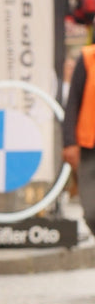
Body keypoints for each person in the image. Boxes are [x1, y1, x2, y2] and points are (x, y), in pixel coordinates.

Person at [63, 42, 95, 235]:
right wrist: (69, 142)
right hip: (89, 146)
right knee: (91, 211)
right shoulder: (88, 56)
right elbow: (73, 100)